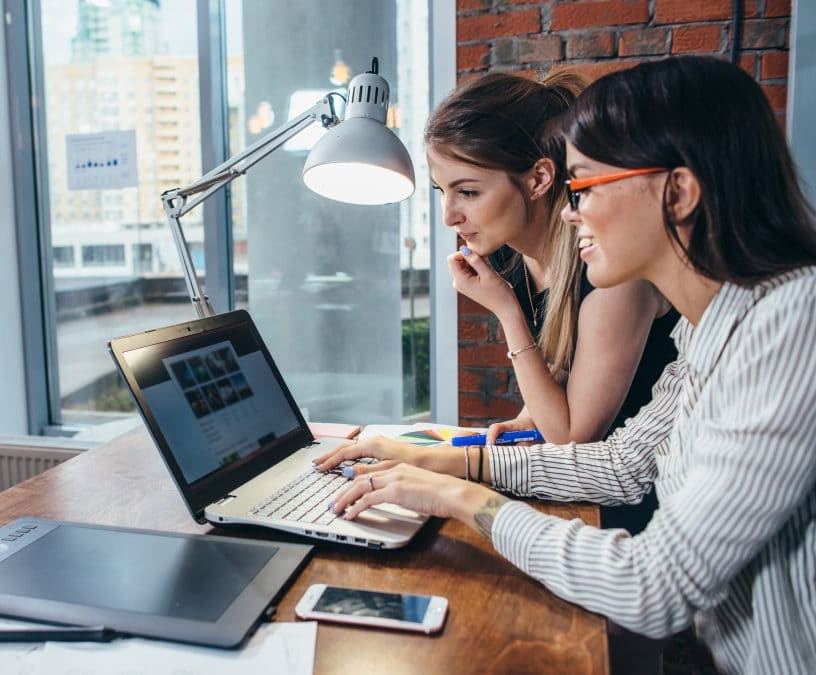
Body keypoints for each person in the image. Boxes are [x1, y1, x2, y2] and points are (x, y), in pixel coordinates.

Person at [317, 56, 816, 674]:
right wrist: (432, 461)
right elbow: (624, 464)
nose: (571, 211)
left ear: (679, 192)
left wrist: (460, 495)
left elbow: (652, 586)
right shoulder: (708, 331)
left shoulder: (793, 326)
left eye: (585, 187)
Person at [425, 70, 678, 533]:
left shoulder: (613, 269)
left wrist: (506, 310)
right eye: (442, 192)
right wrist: (527, 421)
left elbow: (571, 437)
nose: (449, 216)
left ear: (539, 178)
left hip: (634, 509)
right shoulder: (508, 254)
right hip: (579, 488)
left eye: (468, 191)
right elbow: (563, 377)